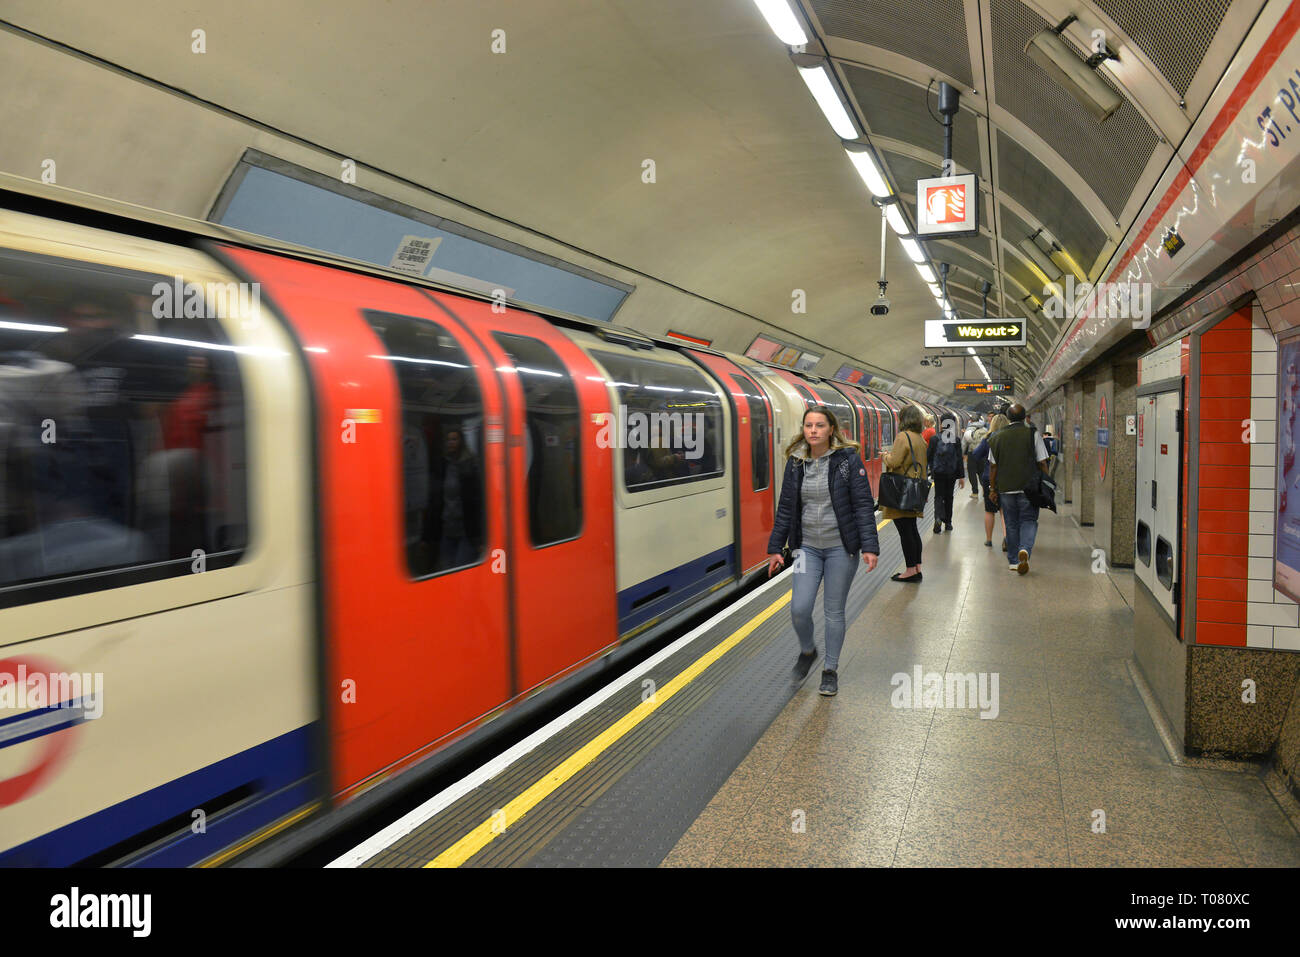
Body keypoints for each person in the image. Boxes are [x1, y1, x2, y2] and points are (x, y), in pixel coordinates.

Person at [767, 406, 880, 697]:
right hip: (806, 548)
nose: (813, 430)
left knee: (833, 611)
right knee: (799, 608)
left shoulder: (847, 461)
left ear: (831, 429)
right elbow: (785, 509)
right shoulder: (795, 463)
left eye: (819, 425)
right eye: (808, 425)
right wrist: (776, 548)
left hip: (841, 548)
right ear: (803, 430)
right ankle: (808, 651)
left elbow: (863, 505)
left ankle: (830, 670)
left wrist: (869, 546)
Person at [988, 403, 1050, 575]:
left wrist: (992, 489)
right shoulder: (1033, 434)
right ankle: (1025, 550)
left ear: (1008, 418)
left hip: (1006, 488)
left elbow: (993, 467)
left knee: (1011, 523)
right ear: (1024, 417)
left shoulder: (997, 436)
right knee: (1029, 520)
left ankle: (1014, 561)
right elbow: (1042, 461)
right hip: (1028, 488)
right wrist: (1046, 483)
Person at [881, 404, 927, 583]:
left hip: (902, 491)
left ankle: (909, 570)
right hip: (916, 489)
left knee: (905, 532)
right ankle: (916, 567)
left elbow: (895, 461)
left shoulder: (903, 436)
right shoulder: (919, 438)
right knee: (912, 529)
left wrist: (885, 455)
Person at [969, 414, 1006, 549]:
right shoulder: (1008, 438)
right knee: (1004, 509)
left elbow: (976, 454)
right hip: (1005, 477)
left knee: (989, 510)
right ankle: (1007, 537)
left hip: (988, 477)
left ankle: (989, 539)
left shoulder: (988, 438)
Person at [927, 415, 965, 532]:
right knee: (949, 497)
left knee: (938, 496)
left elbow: (928, 457)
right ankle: (948, 523)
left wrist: (933, 469)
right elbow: (959, 459)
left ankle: (938, 518)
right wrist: (961, 477)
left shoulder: (935, 439)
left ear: (941, 424)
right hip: (951, 474)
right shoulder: (956, 440)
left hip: (938, 473)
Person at [962, 416, 987, 498]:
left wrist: (961, 455)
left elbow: (963, 444)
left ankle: (975, 492)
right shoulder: (985, 429)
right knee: (982, 472)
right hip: (983, 454)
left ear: (971, 421)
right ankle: (985, 490)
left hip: (972, 453)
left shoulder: (969, 430)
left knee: (972, 473)